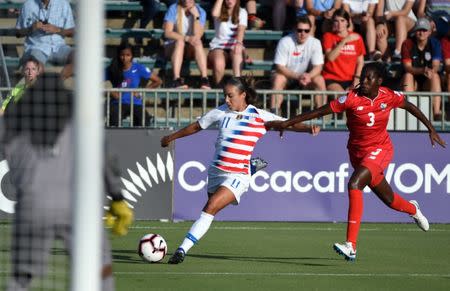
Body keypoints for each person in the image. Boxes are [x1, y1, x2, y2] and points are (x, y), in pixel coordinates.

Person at [266, 62, 446, 261]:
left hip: (381, 149)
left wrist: (431, 128)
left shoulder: (388, 96)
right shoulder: (351, 99)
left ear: (379, 81)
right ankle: (413, 209)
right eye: (363, 77)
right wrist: (286, 123)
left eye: (370, 78)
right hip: (358, 153)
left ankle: (350, 245)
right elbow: (318, 112)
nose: (365, 81)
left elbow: (410, 106)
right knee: (389, 200)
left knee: (354, 183)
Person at [160, 76, 320, 264]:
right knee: (211, 205)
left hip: (238, 175)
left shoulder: (259, 116)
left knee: (210, 207)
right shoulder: (220, 112)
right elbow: (197, 126)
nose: (226, 100)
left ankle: (181, 250)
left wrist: (308, 129)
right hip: (216, 172)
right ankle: (253, 166)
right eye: (224, 96)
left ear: (243, 95)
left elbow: (287, 123)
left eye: (230, 96)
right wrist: (171, 137)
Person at [2, 73, 133, 290]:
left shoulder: (16, 124)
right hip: (75, 205)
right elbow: (105, 157)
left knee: (21, 277)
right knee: (100, 266)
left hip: (32, 205)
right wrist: (117, 196)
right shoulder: (79, 123)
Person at [270, 16, 326, 113]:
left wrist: (308, 76)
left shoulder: (315, 42)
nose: (303, 33)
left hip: (305, 77)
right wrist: (298, 76)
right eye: (299, 30)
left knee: (319, 80)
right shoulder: (285, 41)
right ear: (294, 29)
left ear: (310, 30)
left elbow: (318, 67)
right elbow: (279, 67)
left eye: (306, 30)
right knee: (279, 79)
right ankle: (274, 115)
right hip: (287, 76)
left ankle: (321, 116)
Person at [105, 43, 162, 127]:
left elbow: (158, 81)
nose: (124, 58)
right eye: (122, 55)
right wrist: (109, 91)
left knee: (144, 122)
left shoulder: (138, 68)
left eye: (128, 55)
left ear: (132, 56)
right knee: (114, 121)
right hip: (117, 103)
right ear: (118, 55)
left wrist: (141, 92)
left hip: (135, 103)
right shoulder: (112, 68)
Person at [401, 17, 443, 120]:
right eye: (419, 30)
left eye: (424, 30)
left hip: (427, 81)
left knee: (435, 76)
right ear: (415, 31)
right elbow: (407, 67)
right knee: (408, 76)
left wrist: (431, 71)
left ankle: (436, 113)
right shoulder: (407, 43)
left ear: (429, 32)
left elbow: (436, 65)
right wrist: (423, 70)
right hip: (413, 80)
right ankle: (409, 111)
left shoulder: (435, 43)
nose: (421, 33)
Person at [163, 0, 210, 89]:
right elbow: (168, 32)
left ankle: (204, 79)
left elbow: (198, 35)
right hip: (173, 45)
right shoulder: (173, 8)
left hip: (190, 47)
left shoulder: (200, 11)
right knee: (180, 42)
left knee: (198, 42)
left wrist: (196, 16)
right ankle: (176, 79)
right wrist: (185, 38)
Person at [15, 0, 75, 67]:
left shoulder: (64, 4)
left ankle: (61, 77)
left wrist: (57, 30)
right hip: (37, 47)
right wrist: (31, 28)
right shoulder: (28, 5)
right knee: (33, 65)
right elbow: (18, 33)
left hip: (59, 47)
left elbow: (71, 32)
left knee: (81, 57)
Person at [322, 8, 365, 92]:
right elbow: (330, 57)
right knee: (343, 99)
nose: (339, 24)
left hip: (351, 79)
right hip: (332, 78)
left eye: (342, 20)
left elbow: (360, 61)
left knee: (356, 100)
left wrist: (357, 78)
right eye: (336, 21)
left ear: (347, 22)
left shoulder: (356, 37)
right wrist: (344, 41)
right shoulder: (328, 36)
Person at [208, 0, 247, 87]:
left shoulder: (242, 12)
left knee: (237, 51)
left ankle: (238, 84)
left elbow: (241, 29)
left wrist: (239, 43)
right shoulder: (219, 10)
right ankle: (219, 90)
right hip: (218, 45)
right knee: (219, 62)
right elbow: (214, 14)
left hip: (235, 45)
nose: (230, 0)